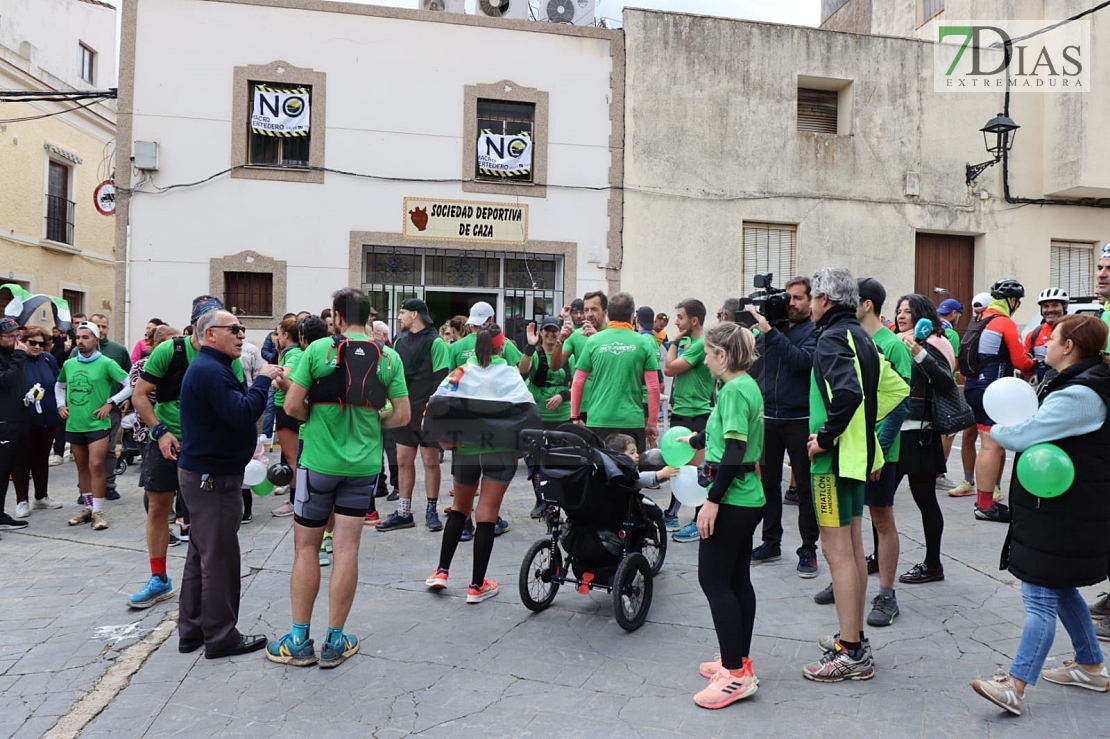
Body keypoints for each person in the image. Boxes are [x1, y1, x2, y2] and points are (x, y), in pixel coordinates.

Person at [971, 314, 1110, 715]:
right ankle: (1091, 665)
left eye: (1054, 339)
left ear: (1069, 347)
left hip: (1065, 511)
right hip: (1065, 506)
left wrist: (993, 431)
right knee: (1060, 588)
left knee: (1039, 594)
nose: (1044, 344)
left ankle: (1014, 685)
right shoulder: (1081, 382)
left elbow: (1028, 432)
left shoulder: (1080, 393)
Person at [266, 288, 410, 668]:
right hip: (363, 467)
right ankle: (334, 641)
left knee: (306, 549)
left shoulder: (317, 351)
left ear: (338, 318)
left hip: (318, 465)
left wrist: (315, 410)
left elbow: (293, 406)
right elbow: (402, 416)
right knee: (347, 549)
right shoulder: (388, 356)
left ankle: (298, 640)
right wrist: (371, 418)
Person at [802, 267, 906, 682]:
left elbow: (847, 394)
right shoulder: (861, 334)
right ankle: (854, 638)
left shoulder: (831, 338)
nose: (808, 305)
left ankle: (852, 652)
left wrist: (825, 438)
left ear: (825, 299)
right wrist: (862, 431)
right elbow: (895, 389)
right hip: (858, 459)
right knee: (853, 548)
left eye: (811, 297)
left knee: (837, 553)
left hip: (832, 463)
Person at [129, 297, 245, 608]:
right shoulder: (171, 350)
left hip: (205, 448)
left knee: (203, 516)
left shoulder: (229, 357)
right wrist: (159, 431)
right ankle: (159, 577)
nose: (236, 333)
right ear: (199, 327)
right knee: (157, 507)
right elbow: (140, 395)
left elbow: (237, 405)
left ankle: (201, 585)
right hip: (169, 440)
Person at [176, 309, 278, 659]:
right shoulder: (210, 371)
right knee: (218, 557)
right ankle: (220, 636)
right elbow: (242, 413)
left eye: (242, 329)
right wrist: (263, 379)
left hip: (206, 473)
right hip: (212, 479)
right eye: (233, 329)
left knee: (200, 552)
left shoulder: (213, 368)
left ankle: (192, 631)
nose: (240, 334)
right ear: (210, 335)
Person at [675, 322, 764, 709]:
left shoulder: (733, 390)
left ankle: (735, 675)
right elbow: (724, 435)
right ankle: (738, 661)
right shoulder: (743, 386)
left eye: (708, 353)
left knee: (713, 580)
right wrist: (694, 440)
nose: (704, 359)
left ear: (722, 355)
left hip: (733, 499)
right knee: (735, 578)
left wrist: (711, 499)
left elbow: (733, 449)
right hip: (746, 497)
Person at [423, 324, 537, 604]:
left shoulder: (460, 372)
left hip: (466, 450)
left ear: (475, 348)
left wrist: (444, 439)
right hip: (501, 451)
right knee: (487, 513)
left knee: (460, 509)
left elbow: (434, 405)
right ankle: (476, 586)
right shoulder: (510, 374)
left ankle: (441, 572)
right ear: (501, 348)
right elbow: (530, 412)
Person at [745, 278, 820, 577]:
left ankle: (808, 550)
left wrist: (771, 333)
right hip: (769, 418)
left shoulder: (814, 332)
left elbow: (802, 361)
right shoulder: (773, 329)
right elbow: (754, 367)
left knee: (804, 489)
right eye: (787, 297)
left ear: (811, 301)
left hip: (799, 420)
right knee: (768, 485)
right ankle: (771, 542)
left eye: (798, 298)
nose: (791, 303)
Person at [853, 279, 912, 628]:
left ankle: (887, 593)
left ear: (867, 304)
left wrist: (879, 450)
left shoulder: (893, 345)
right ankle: (853, 577)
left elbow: (900, 404)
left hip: (879, 452)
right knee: (851, 520)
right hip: (851, 449)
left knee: (882, 519)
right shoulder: (853, 339)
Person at [890, 295, 957, 587]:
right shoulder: (892, 340)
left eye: (909, 311)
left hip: (920, 432)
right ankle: (880, 555)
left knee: (926, 500)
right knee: (879, 500)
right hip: (893, 431)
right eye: (900, 310)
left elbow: (945, 382)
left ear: (923, 315)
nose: (902, 315)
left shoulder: (936, 343)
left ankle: (933, 563)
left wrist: (919, 351)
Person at [961, 279, 1034, 522]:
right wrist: (1037, 365)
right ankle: (984, 506)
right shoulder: (1004, 322)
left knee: (986, 441)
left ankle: (986, 501)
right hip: (993, 389)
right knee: (992, 445)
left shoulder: (978, 319)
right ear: (1012, 301)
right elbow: (1021, 362)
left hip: (973, 387)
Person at [378, 298, 451, 532]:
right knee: (403, 462)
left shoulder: (436, 342)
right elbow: (394, 376)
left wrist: (430, 412)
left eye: (402, 312)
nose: (399, 317)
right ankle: (403, 512)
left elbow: (441, 381)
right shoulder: (400, 340)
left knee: (430, 462)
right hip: (405, 411)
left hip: (428, 412)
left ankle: (431, 510)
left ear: (415, 315)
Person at [57, 322, 132, 530]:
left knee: (96, 465)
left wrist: (111, 403)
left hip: (98, 423)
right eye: (78, 337)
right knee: (82, 467)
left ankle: (98, 512)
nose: (80, 341)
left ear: (96, 339)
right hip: (75, 423)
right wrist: (60, 405)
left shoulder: (107, 363)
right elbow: (59, 386)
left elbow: (130, 384)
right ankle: (88, 509)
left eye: (86, 337)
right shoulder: (69, 364)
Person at [570, 292, 660, 452]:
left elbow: (578, 381)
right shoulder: (643, 343)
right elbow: (653, 387)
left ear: (608, 314)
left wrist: (575, 416)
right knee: (632, 471)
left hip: (599, 419)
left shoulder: (593, 341)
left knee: (601, 472)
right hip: (632, 421)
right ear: (632, 316)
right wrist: (652, 423)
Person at [663, 299, 714, 542]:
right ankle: (672, 514)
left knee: (695, 471)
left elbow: (670, 369)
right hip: (683, 411)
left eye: (680, 317)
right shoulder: (692, 343)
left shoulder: (700, 344)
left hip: (695, 415)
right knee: (678, 466)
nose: (676, 322)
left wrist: (673, 342)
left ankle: (697, 522)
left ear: (694, 321)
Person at [72, 313, 131, 502]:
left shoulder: (118, 350)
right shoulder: (76, 352)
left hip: (110, 410)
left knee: (109, 450)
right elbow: (66, 381)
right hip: (83, 410)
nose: (102, 329)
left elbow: (129, 378)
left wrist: (123, 400)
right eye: (98, 326)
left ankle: (109, 485)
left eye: (105, 326)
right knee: (84, 455)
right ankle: (85, 490)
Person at [520, 316, 571, 518]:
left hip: (562, 414)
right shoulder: (535, 354)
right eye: (547, 331)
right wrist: (530, 347)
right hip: (537, 414)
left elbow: (576, 383)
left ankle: (560, 499)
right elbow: (522, 370)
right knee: (535, 458)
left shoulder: (567, 356)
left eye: (554, 331)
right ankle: (541, 500)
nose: (550, 334)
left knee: (560, 458)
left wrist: (562, 396)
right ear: (541, 333)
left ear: (559, 333)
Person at [10, 324, 64, 518]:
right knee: (22, 461)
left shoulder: (48, 359)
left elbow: (58, 383)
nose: (37, 347)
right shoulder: (16, 360)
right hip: (24, 419)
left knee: (42, 458)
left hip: (48, 418)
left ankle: (41, 496)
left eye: (42, 343)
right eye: (33, 343)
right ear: (22, 342)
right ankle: (21, 500)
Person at [551, 292, 609, 421]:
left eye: (594, 309)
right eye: (586, 310)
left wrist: (597, 339)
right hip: (583, 408)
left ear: (605, 312)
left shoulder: (613, 334)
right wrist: (559, 341)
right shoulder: (576, 335)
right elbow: (555, 366)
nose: (589, 314)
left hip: (608, 406)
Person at [270, 316, 304, 518]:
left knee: (292, 458)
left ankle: (294, 501)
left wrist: (274, 378)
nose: (276, 337)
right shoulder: (294, 352)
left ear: (285, 335)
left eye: (278, 333)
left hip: (285, 408)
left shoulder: (292, 355)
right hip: (290, 409)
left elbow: (281, 378)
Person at [0, 317, 31, 531]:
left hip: (17, 420)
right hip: (3, 422)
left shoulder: (13, 356)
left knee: (5, 471)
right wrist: (20, 356)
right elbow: (5, 381)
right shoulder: (14, 357)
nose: (15, 341)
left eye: (17, 336)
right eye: (10, 337)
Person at [933, 298, 963, 490]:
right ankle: (939, 473)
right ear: (954, 314)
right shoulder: (950, 333)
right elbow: (955, 363)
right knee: (949, 431)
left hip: (928, 387)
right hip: (946, 387)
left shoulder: (931, 329)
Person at [370, 319, 399, 506]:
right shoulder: (369, 352)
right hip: (373, 409)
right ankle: (380, 484)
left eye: (374, 333)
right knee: (376, 450)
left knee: (391, 450)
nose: (371, 337)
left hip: (388, 409)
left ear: (384, 336)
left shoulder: (391, 355)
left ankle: (397, 485)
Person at [449, 301, 523, 369]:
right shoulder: (502, 342)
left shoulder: (455, 347)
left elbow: (450, 374)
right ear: (491, 319)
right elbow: (522, 367)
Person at [605, 433, 679, 490]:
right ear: (618, 456)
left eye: (636, 452)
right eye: (632, 453)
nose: (637, 455)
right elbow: (636, 480)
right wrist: (660, 474)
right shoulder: (618, 474)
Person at [1024, 288, 1068, 382]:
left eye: (1055, 305)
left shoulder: (1076, 331)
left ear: (1065, 307)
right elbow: (1026, 371)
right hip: (1043, 388)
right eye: (1046, 306)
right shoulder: (1033, 335)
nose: (1050, 310)